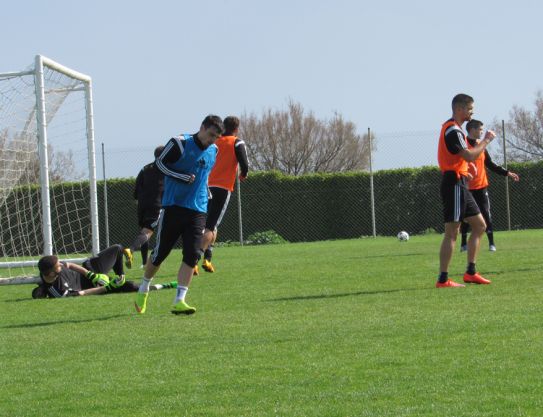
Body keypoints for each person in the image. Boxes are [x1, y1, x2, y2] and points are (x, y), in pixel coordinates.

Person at [134, 115, 224, 315]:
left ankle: (179, 300)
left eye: (216, 137)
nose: (212, 140)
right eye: (210, 135)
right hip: (174, 206)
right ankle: (144, 287)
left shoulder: (214, 150)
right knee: (160, 254)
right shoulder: (180, 143)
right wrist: (180, 176)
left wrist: (205, 192)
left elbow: (204, 175)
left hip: (198, 209)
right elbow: (159, 164)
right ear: (201, 127)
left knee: (192, 254)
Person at [436, 93, 496, 288]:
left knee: (480, 225)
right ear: (460, 109)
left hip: (460, 182)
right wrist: (486, 140)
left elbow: (459, 159)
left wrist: (463, 172)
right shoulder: (453, 130)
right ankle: (443, 279)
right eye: (470, 109)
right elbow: (470, 155)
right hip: (453, 184)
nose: (472, 112)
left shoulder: (456, 130)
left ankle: (471, 272)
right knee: (452, 232)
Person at [460, 120, 520, 252]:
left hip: (481, 187)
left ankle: (491, 243)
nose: (482, 132)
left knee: (486, 214)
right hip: (467, 188)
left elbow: (491, 164)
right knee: (466, 217)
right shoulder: (463, 146)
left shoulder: (481, 147)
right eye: (480, 129)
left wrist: (508, 173)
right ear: (472, 130)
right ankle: (463, 244)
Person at [199, 115, 249, 273]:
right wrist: (243, 174)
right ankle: (194, 259)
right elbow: (244, 163)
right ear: (236, 128)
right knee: (210, 226)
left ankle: (208, 258)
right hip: (223, 187)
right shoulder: (237, 141)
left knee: (211, 223)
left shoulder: (215, 141)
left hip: (207, 186)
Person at [33, 244, 177, 298]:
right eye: (58, 266)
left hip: (92, 269)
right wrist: (107, 287)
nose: (61, 265)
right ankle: (166, 285)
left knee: (117, 249)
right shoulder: (57, 291)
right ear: (51, 273)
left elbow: (70, 265)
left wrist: (91, 275)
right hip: (94, 286)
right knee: (134, 288)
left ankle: (120, 276)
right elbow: (82, 294)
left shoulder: (49, 268)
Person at [125, 145, 165, 269]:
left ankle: (144, 262)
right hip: (156, 204)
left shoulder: (145, 168)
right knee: (147, 231)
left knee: (144, 231)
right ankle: (130, 250)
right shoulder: (166, 169)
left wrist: (139, 198)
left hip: (142, 204)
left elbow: (136, 189)